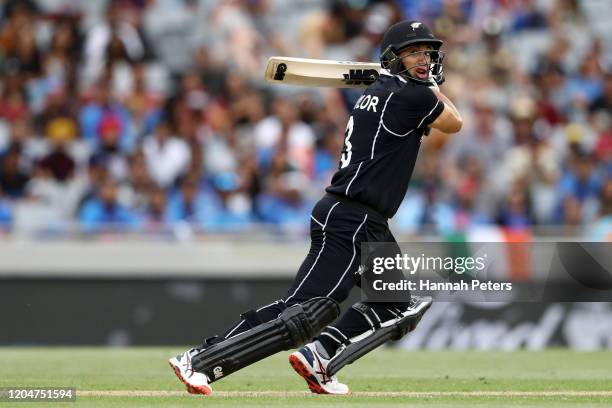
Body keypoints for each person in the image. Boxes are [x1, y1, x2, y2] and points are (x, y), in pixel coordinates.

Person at [168, 20, 462, 396]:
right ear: (393, 57)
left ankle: (321, 357)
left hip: (364, 218)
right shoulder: (416, 97)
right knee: (307, 310)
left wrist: (421, 83)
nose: (423, 59)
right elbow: (454, 123)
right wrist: (434, 85)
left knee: (398, 305)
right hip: (352, 217)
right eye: (413, 52)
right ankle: (201, 360)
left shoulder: (378, 92)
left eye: (427, 52)